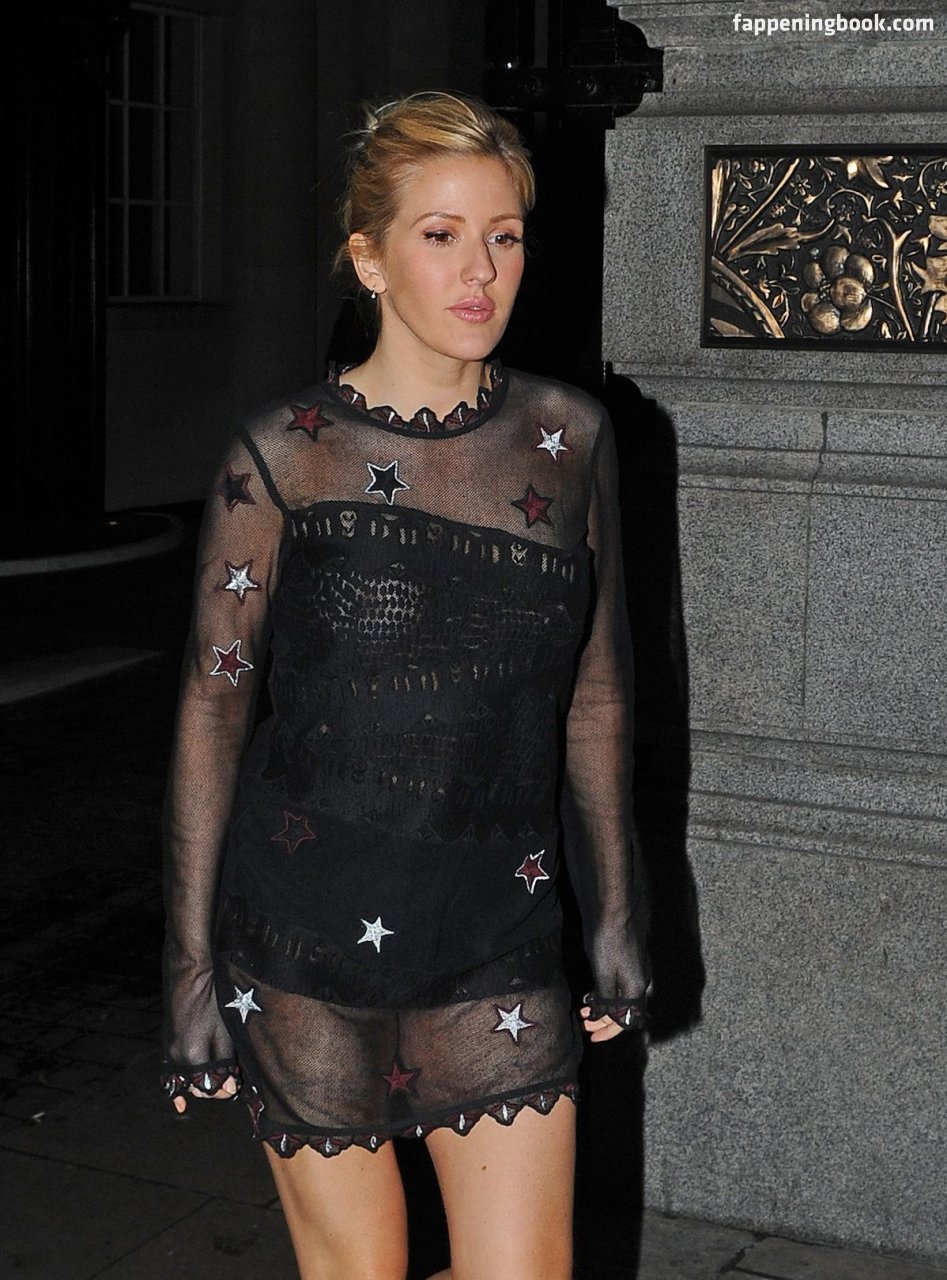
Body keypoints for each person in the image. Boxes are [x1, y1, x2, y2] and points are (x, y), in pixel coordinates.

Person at [161, 90, 649, 1280]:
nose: (481, 270)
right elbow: (214, 711)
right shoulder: (285, 455)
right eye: (440, 234)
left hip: (495, 936)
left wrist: (615, 909)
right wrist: (186, 966)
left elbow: (596, 693)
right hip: (301, 943)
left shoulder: (569, 438)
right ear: (369, 257)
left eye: (505, 235)